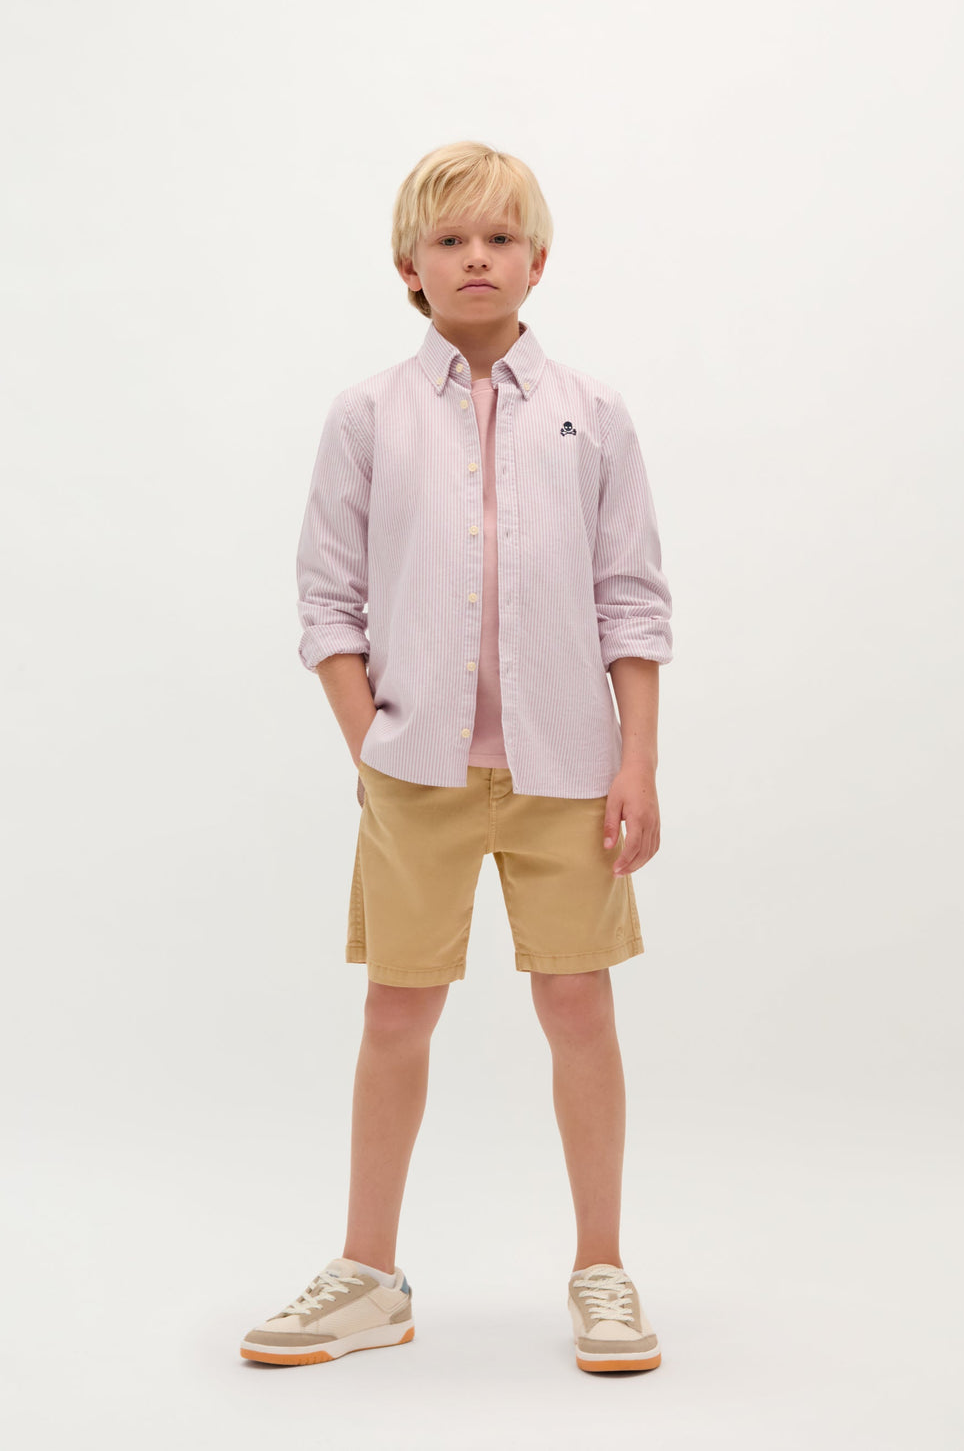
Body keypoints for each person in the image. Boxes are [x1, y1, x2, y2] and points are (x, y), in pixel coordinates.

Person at [240, 140, 673, 1374]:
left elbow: (633, 600)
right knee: (396, 1011)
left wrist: (638, 763)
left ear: (538, 261)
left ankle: (602, 1268)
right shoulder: (367, 416)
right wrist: (371, 743)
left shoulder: (594, 414)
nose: (475, 257)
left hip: (569, 776)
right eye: (448, 240)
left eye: (498, 237)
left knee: (578, 1007)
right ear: (408, 268)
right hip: (414, 776)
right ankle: (368, 1276)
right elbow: (327, 601)